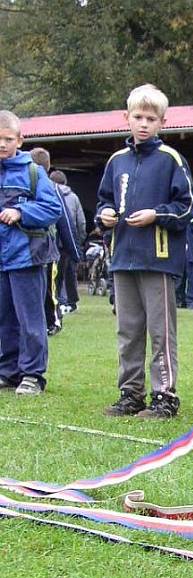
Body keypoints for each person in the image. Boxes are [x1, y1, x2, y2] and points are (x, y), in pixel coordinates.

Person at [96, 84, 193, 419]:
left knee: (160, 331)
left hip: (158, 258)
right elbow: (104, 200)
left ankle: (165, 396)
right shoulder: (116, 160)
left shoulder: (171, 159)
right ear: (126, 118)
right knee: (127, 329)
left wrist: (157, 215)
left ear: (162, 122)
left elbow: (186, 206)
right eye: (137, 117)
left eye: (150, 118)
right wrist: (104, 215)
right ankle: (130, 393)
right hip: (122, 256)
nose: (143, 124)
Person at [0, 111, 62, 395]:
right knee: (4, 320)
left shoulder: (33, 172)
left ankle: (32, 375)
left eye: (7, 139)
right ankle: (8, 371)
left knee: (31, 320)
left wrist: (21, 211)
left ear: (20, 140)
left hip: (26, 257)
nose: (2, 144)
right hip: (2, 261)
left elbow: (53, 210)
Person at [29, 147, 81, 337]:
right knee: (50, 290)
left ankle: (51, 320)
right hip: (49, 248)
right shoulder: (52, 189)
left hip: (37, 249)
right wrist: (75, 252)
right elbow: (66, 223)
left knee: (45, 289)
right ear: (49, 166)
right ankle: (53, 321)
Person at [49, 170, 86, 315]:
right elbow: (81, 222)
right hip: (68, 242)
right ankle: (71, 302)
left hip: (52, 241)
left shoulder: (47, 193)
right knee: (69, 273)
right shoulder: (74, 198)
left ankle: (58, 301)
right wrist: (79, 241)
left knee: (53, 275)